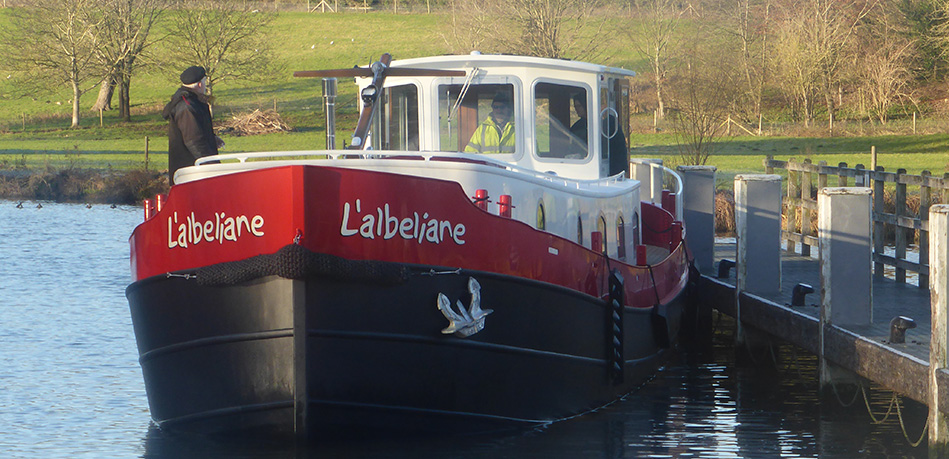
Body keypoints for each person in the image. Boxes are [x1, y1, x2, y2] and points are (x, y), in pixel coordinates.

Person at [162, 65, 223, 185]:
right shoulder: (187, 107)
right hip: (192, 172)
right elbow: (194, 141)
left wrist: (212, 138)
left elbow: (197, 131)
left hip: (195, 172)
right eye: (204, 82)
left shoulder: (192, 103)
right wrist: (211, 166)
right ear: (200, 84)